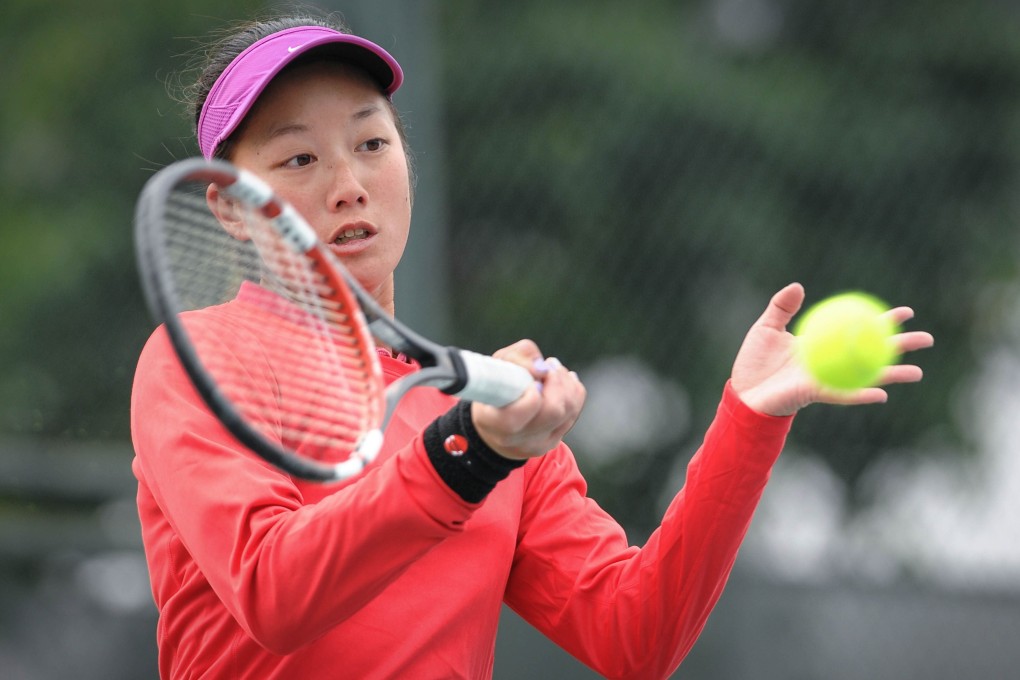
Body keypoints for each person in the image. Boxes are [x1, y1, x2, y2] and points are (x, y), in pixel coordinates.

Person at [130, 12, 935, 680]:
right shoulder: (195, 360)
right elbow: (274, 593)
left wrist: (748, 419)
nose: (348, 182)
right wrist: (463, 457)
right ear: (230, 208)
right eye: (299, 157)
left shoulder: (493, 414)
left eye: (372, 144)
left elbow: (635, 636)